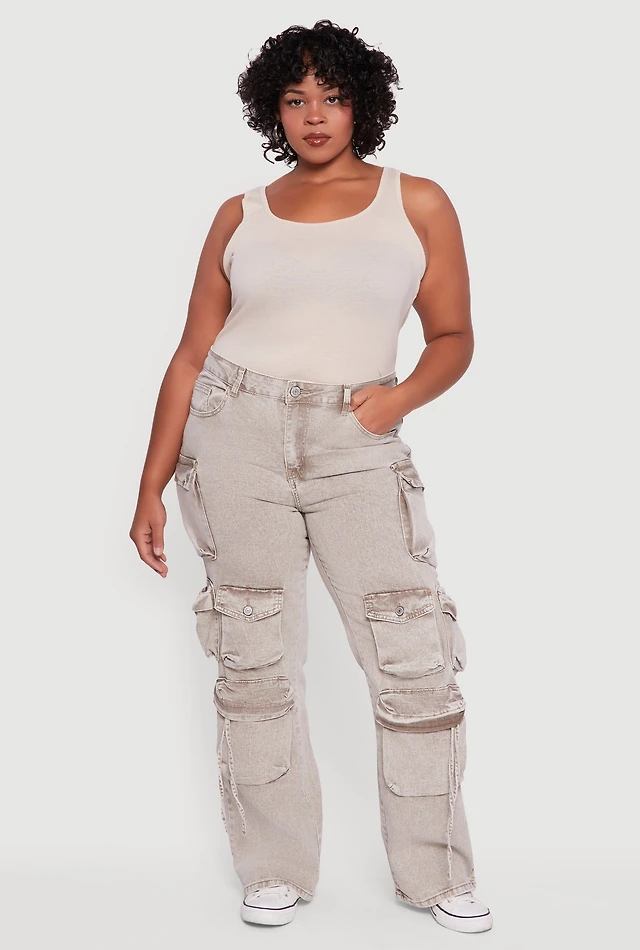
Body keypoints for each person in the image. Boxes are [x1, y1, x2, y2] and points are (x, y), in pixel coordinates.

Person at [129, 19, 493, 933]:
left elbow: (454, 336)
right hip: (233, 435)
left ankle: (436, 872)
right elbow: (189, 356)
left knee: (411, 654)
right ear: (273, 110)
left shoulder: (417, 202)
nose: (316, 115)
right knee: (253, 659)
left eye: (332, 96)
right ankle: (275, 868)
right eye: (296, 99)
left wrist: (392, 402)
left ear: (363, 103)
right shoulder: (240, 214)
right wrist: (149, 487)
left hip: (356, 440)